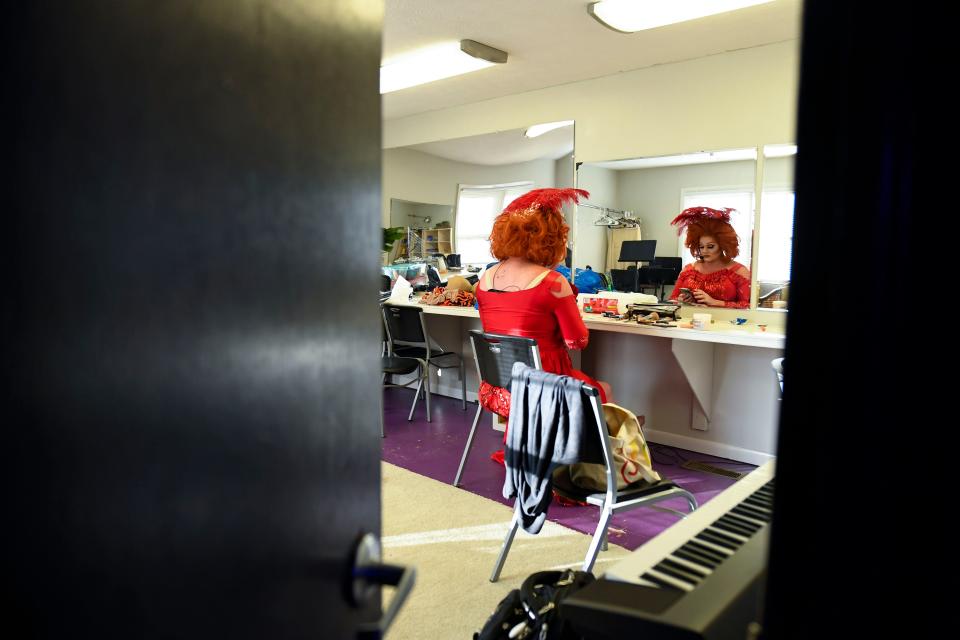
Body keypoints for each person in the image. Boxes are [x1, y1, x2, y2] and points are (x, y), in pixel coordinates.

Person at [475, 188, 612, 404]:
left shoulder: (485, 279)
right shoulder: (553, 282)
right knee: (604, 389)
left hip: (498, 389)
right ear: (551, 239)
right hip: (545, 389)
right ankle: (591, 436)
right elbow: (577, 341)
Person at [667, 206, 751, 309]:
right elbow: (672, 300)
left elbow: (747, 306)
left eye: (710, 246)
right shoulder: (688, 270)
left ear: (722, 245)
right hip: (690, 321)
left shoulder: (739, 272)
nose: (704, 251)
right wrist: (681, 300)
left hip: (724, 322)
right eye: (701, 247)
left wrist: (714, 302)